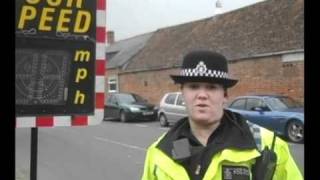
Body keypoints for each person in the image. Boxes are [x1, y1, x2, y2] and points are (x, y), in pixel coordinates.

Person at [141, 50, 303, 180]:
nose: (202, 95)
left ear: (225, 96)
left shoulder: (267, 145)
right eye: (194, 86)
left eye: (211, 87)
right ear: (182, 94)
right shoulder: (160, 151)